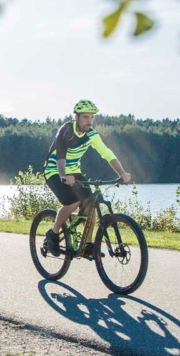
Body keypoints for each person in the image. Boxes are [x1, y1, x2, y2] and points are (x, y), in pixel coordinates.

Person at [43, 100, 131, 257]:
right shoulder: (66, 130)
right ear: (76, 117)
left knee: (91, 204)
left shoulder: (91, 134)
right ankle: (53, 233)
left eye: (91, 117)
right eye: (85, 117)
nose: (89, 121)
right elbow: (61, 155)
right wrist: (63, 176)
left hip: (74, 172)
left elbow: (107, 154)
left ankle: (87, 245)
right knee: (73, 201)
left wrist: (122, 173)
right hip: (54, 171)